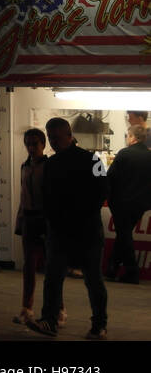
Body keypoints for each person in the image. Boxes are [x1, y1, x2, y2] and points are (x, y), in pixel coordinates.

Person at [27, 117, 109, 339]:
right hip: (84, 229)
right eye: (50, 137)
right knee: (90, 280)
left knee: (60, 278)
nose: (52, 142)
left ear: (68, 134)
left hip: (70, 230)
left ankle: (52, 320)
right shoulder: (94, 160)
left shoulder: (54, 164)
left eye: (55, 137)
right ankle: (97, 324)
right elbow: (102, 191)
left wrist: (55, 219)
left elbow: (48, 196)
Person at [106, 122, 150, 284]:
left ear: (132, 137)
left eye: (127, 135)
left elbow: (110, 176)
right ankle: (112, 269)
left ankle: (132, 272)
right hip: (141, 204)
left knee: (124, 236)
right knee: (123, 235)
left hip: (121, 203)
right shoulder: (149, 155)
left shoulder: (124, 154)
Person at [14, 128, 50, 323]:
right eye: (28, 143)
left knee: (51, 268)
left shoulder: (48, 167)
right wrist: (20, 219)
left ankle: (57, 310)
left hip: (44, 219)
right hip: (29, 219)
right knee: (29, 267)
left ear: (43, 144)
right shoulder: (24, 167)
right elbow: (23, 195)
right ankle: (27, 308)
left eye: (35, 143)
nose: (31, 147)